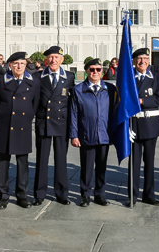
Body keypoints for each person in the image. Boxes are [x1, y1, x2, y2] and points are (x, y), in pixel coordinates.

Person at [0, 51, 39, 209]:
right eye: (16, 63)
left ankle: (22, 195)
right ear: (9, 65)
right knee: (3, 162)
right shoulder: (0, 81)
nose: (19, 66)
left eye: (22, 64)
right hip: (4, 126)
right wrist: (2, 118)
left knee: (22, 162)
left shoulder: (33, 82)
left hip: (22, 126)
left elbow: (35, 104)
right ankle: (3, 195)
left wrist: (27, 117)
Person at [70, 59, 115, 206]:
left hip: (104, 134)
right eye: (92, 69)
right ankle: (85, 195)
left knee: (102, 167)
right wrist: (74, 135)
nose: (95, 72)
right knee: (87, 167)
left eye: (98, 69)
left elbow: (115, 112)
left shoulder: (110, 89)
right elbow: (74, 114)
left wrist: (116, 133)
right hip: (86, 134)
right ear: (86, 71)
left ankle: (100, 194)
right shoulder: (78, 90)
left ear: (102, 71)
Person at [35, 46, 74, 206]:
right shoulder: (37, 76)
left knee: (61, 159)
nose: (53, 60)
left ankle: (62, 193)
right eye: (50, 57)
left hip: (61, 123)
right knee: (42, 160)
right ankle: (39, 193)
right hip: (44, 122)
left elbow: (72, 102)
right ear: (46, 60)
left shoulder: (69, 77)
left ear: (61, 60)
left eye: (56, 57)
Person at [129, 48, 159, 206]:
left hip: (150, 124)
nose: (142, 61)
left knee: (149, 162)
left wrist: (141, 101)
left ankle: (149, 194)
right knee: (134, 163)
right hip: (134, 124)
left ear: (149, 61)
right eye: (139, 58)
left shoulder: (156, 76)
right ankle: (132, 194)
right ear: (134, 61)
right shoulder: (129, 77)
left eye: (145, 58)